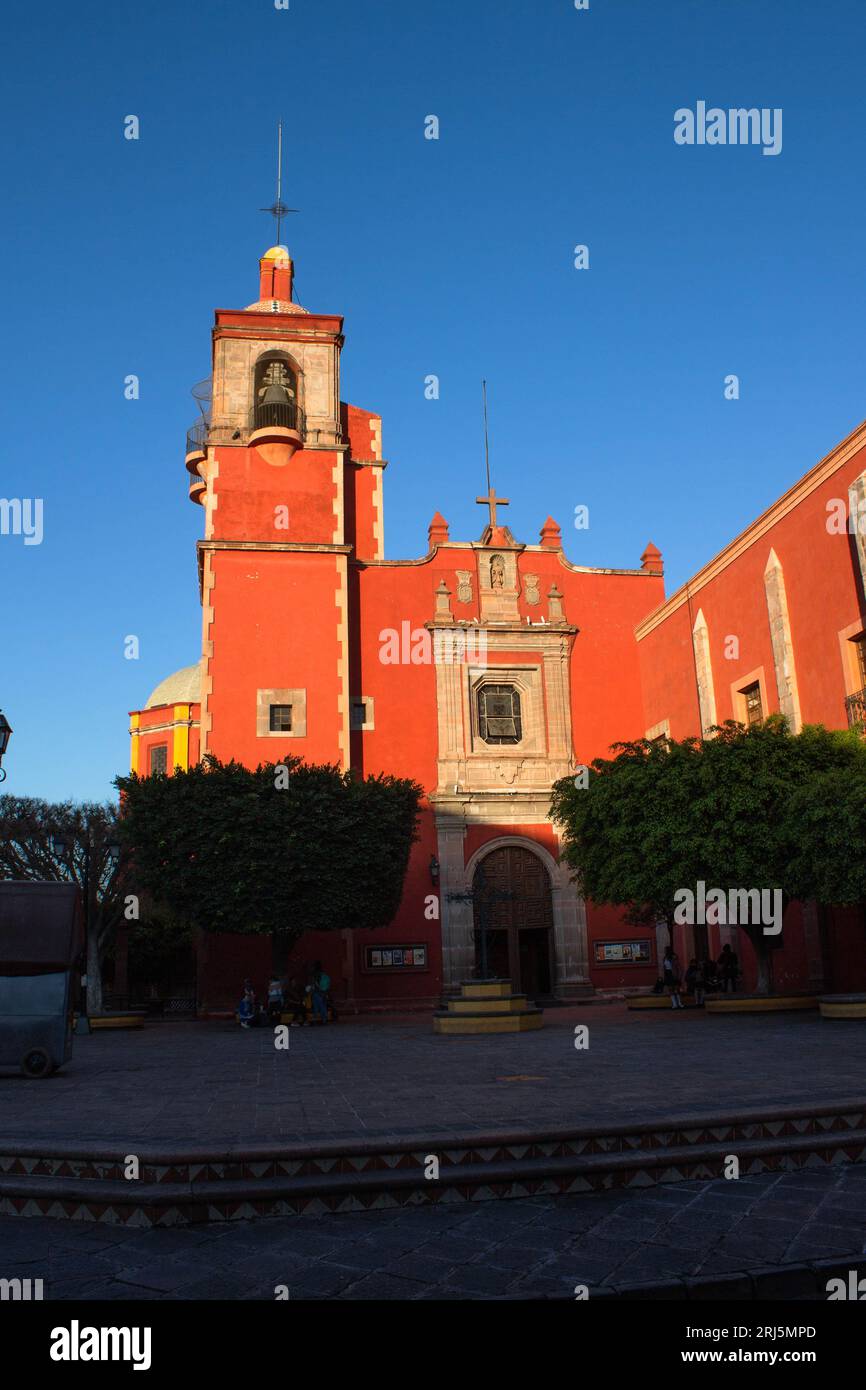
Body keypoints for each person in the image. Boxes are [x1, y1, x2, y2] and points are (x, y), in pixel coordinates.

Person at [310, 959, 331, 1025]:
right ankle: (324, 1020)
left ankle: (314, 1021)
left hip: (316, 993)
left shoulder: (315, 974)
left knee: (316, 1007)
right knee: (322, 1006)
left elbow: (315, 984)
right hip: (323, 993)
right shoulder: (323, 974)